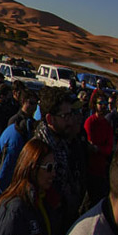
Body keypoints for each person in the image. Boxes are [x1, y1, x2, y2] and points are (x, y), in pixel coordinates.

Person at [35, 87, 84, 225]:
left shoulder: (62, 142)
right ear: (50, 119)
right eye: (65, 116)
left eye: (71, 114)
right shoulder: (39, 149)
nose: (70, 121)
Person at [84, 94, 115, 211]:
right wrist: (98, 148)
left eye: (104, 104)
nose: (102, 107)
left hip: (101, 170)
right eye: (100, 104)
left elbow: (109, 147)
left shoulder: (107, 125)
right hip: (89, 169)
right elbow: (89, 145)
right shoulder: (90, 122)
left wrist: (99, 149)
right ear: (95, 105)